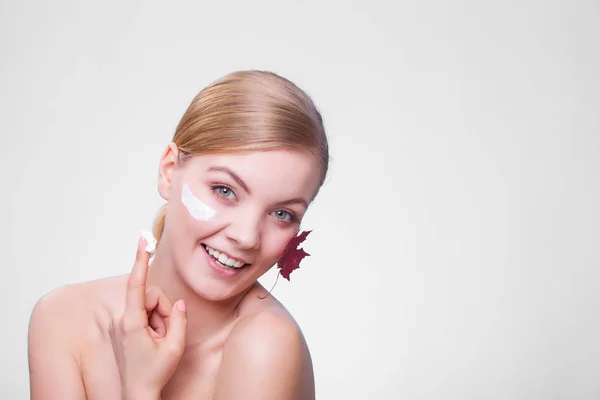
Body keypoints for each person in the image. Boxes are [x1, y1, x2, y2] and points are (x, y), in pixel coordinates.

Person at [27, 70, 329, 399]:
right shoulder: (63, 318)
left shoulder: (266, 345)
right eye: (224, 190)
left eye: (281, 214)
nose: (246, 237)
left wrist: (141, 388)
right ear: (169, 171)